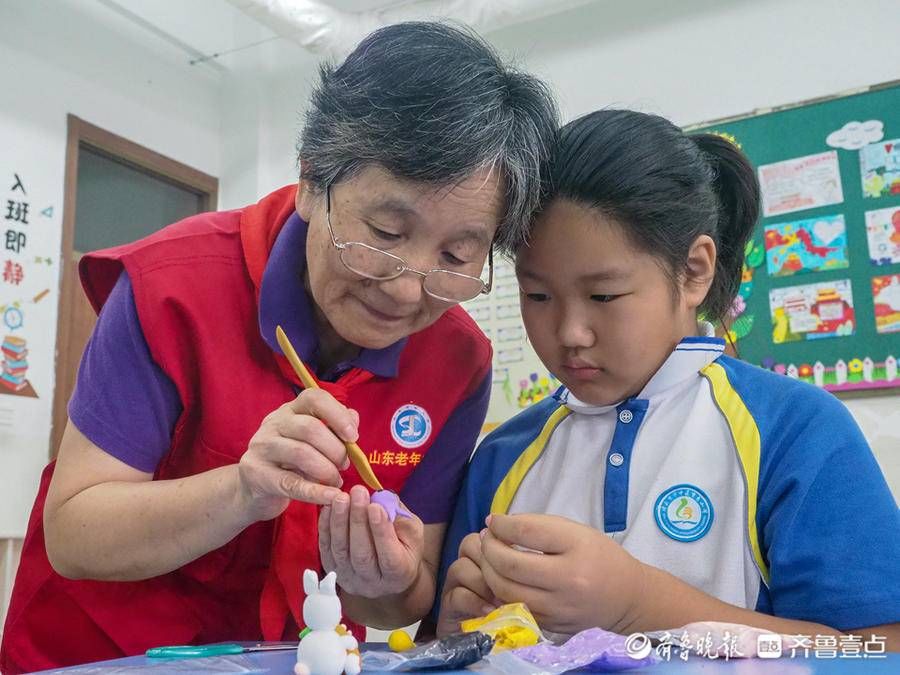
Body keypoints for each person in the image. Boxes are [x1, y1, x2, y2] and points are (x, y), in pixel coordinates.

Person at [0, 22, 558, 673]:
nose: (408, 290)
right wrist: (241, 489)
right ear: (310, 180)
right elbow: (74, 531)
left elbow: (402, 601)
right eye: (385, 230)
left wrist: (385, 578)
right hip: (102, 656)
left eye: (457, 255)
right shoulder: (171, 288)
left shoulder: (457, 363)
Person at [436, 110, 900, 647]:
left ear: (695, 271)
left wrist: (641, 605)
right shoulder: (503, 455)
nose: (570, 333)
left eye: (603, 295)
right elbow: (450, 640)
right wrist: (457, 635)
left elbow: (881, 648)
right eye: (537, 296)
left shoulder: (795, 430)